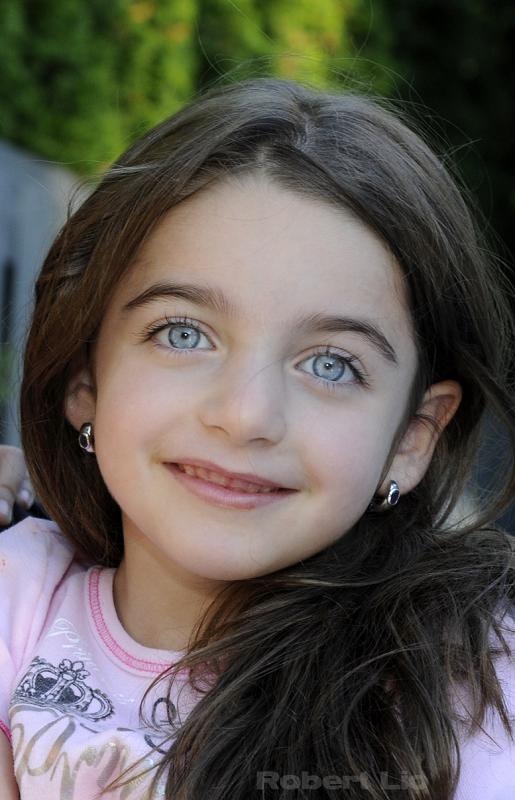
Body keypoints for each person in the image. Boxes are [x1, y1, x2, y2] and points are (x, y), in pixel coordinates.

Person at [1, 77, 514, 800]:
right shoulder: (19, 589)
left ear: (412, 436)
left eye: (330, 365)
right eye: (183, 333)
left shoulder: (470, 686)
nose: (244, 415)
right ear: (85, 378)